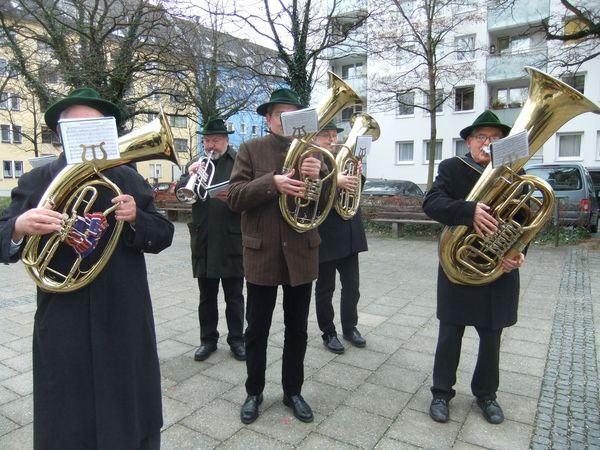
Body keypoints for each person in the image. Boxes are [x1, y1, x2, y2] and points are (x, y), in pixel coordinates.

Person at [0, 88, 174, 449]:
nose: (83, 131)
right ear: (60, 132)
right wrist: (20, 226)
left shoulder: (125, 177)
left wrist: (137, 218)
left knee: (127, 408)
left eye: (92, 124)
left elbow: (164, 234)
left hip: (123, 313)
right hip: (64, 317)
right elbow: (3, 237)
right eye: (73, 125)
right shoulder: (37, 181)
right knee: (66, 414)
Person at [422, 110, 525, 425]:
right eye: (482, 137)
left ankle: (486, 395)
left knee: (492, 337)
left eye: (495, 138)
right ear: (469, 141)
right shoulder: (453, 168)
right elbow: (431, 203)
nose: (488, 143)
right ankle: (441, 393)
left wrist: (518, 252)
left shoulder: (514, 173)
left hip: (498, 269)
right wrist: (469, 211)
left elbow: (525, 220)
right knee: (450, 333)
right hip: (460, 266)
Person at [228, 88, 322, 425]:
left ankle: (292, 391)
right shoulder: (250, 149)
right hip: (262, 254)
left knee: (298, 330)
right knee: (257, 330)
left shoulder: (316, 154)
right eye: (279, 114)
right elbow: (234, 197)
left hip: (300, 253)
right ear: (267, 119)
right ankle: (254, 391)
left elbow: (323, 205)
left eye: (293, 114)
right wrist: (273, 183)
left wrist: (317, 179)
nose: (285, 120)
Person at [176, 117, 245, 362]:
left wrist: (234, 197)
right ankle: (208, 340)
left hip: (231, 238)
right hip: (204, 237)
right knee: (206, 297)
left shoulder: (238, 162)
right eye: (206, 140)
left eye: (215, 140)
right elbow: (182, 194)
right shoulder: (196, 163)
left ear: (226, 140)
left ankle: (237, 340)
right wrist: (188, 176)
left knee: (234, 296)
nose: (210, 145)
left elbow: (248, 195)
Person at [313, 121, 368, 354]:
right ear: (316, 138)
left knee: (352, 287)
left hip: (349, 233)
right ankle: (328, 332)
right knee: (325, 289)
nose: (332, 140)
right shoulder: (312, 160)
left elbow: (354, 192)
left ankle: (350, 327)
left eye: (334, 135)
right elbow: (312, 193)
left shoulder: (346, 158)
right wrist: (336, 182)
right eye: (326, 136)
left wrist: (358, 178)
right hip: (325, 234)